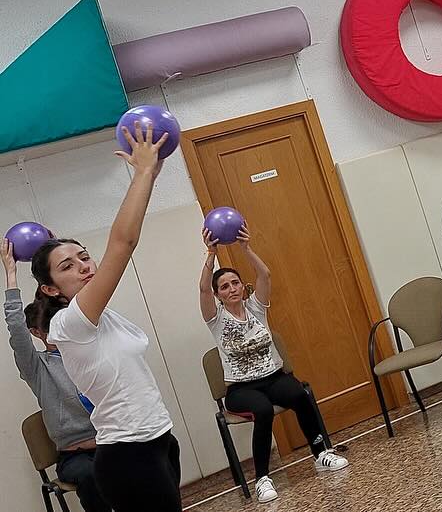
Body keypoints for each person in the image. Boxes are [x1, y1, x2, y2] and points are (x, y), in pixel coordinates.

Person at [33, 124, 180, 511]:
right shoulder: (69, 324)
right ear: (51, 289)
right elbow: (123, 242)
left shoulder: (102, 317)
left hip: (159, 438)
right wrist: (143, 173)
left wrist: (149, 177)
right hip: (128, 457)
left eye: (84, 256)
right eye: (67, 266)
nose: (83, 265)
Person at [199, 224, 348, 503]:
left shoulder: (256, 308)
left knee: (299, 394)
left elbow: (265, 274)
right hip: (241, 389)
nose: (231, 289)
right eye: (224, 287)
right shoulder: (216, 320)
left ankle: (321, 454)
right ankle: (262, 479)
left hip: (273, 378)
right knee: (263, 410)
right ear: (218, 295)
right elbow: (203, 290)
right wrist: (211, 254)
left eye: (235, 283)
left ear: (242, 286)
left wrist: (245, 248)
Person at [4, 239, 109, 512]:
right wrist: (11, 274)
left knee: (151, 454)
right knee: (91, 474)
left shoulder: (84, 349)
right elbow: (16, 330)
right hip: (76, 456)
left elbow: (80, 295)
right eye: (48, 326)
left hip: (112, 440)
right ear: (36, 332)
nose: (56, 329)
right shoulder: (38, 367)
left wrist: (54, 247)